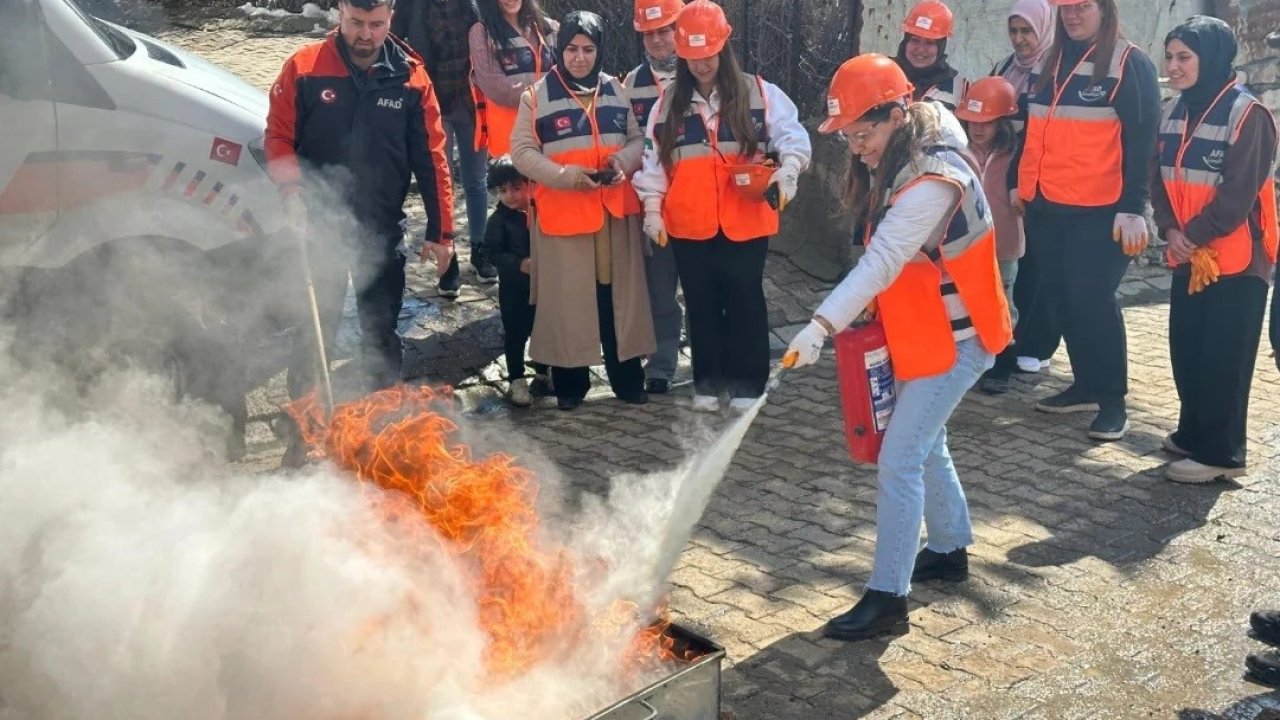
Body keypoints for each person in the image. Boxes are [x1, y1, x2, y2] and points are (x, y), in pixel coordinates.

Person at [786, 54, 1011, 642]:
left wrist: (820, 325)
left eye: (863, 133)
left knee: (899, 458)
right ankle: (950, 549)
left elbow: (883, 260)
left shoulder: (931, 181)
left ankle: (888, 598)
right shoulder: (909, 146)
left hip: (961, 339)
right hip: (928, 331)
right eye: (848, 136)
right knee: (926, 443)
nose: (856, 147)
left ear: (896, 115)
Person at [265, 0, 454, 464]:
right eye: (355, 23)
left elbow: (432, 157)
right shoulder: (304, 68)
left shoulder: (411, 77)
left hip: (380, 227)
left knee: (380, 334)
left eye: (376, 24)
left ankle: (380, 432)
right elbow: (278, 136)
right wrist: (291, 192)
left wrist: (442, 231)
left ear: (391, 18)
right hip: (318, 225)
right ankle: (305, 435)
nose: (365, 34)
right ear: (339, 13)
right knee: (314, 332)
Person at [633, 0, 811, 412]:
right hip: (689, 223)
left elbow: (793, 137)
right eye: (693, 57)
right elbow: (653, 163)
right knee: (701, 303)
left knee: (745, 299)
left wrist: (789, 170)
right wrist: (653, 209)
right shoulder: (668, 104)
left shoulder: (760, 93)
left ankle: (748, 384)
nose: (701, 64)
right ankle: (708, 384)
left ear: (723, 47)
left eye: (708, 54)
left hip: (745, 220)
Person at [1014, 0, 1161, 441]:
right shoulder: (1052, 60)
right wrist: (1018, 184)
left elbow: (1143, 142)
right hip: (1046, 206)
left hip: (1101, 210)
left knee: (1092, 300)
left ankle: (1113, 401)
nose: (1073, 15)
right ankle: (1086, 386)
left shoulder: (1129, 64)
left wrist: (1133, 207)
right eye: (1066, 8)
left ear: (1104, 9)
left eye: (1083, 6)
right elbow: (1033, 131)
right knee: (1061, 297)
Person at [1151, 16, 1277, 484]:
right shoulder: (1172, 109)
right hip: (1189, 253)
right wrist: (1169, 229)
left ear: (1213, 59)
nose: (1173, 66)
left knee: (1225, 357)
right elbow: (1157, 176)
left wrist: (1192, 234)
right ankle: (1193, 434)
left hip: (1239, 259)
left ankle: (1222, 454)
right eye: (1169, 56)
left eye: (1184, 57)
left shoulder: (1249, 115)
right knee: (1188, 349)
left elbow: (1237, 194)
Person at [510, 11, 656, 411]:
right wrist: (566, 177)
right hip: (564, 216)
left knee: (617, 298)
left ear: (599, 50)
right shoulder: (536, 96)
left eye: (588, 49)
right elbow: (522, 152)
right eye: (572, 49)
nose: (580, 57)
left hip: (614, 217)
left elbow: (637, 140)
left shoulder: (616, 90)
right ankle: (570, 385)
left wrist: (622, 163)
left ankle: (627, 379)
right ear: (560, 50)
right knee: (569, 301)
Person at [392, 0, 497, 296]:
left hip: (472, 100)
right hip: (433, 102)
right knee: (442, 182)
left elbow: (502, 26)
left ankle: (480, 249)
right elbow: (392, 38)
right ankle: (447, 256)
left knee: (476, 180)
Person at [993, 0, 1059, 375]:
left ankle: (1038, 343)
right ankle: (1010, 336)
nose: (1020, 39)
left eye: (1027, 31)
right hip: (1005, 179)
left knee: (1040, 264)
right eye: (1014, 31)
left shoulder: (1056, 69)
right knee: (1011, 260)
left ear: (1045, 29)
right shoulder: (1005, 67)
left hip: (1043, 181)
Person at [624, 0, 685, 396]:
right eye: (650, 33)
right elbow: (629, 143)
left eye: (665, 30)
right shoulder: (631, 85)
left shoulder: (703, 72)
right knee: (660, 292)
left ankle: (714, 362)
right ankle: (662, 364)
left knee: (706, 290)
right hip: (655, 208)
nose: (658, 40)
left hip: (700, 204)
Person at [955, 77, 1025, 395]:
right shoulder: (957, 150)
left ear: (1002, 122)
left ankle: (1002, 362)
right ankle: (968, 360)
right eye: (971, 121)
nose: (977, 128)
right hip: (965, 243)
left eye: (986, 122)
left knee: (1003, 303)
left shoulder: (1016, 153)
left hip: (1005, 242)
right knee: (965, 301)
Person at [484, 155, 550, 406]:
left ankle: (544, 372)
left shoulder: (541, 211)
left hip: (542, 287)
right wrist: (517, 263)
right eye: (503, 191)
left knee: (542, 330)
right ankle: (516, 379)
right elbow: (491, 252)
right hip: (513, 288)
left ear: (529, 185)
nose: (510, 195)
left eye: (516, 188)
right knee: (515, 334)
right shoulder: (498, 221)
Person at [469, 0, 556, 159]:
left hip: (551, 133)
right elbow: (499, 90)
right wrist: (550, 94)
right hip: (510, 143)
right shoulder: (481, 33)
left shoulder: (547, 27)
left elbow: (566, 74)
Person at [894, 0, 967, 110]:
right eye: (915, 40)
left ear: (941, 47)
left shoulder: (959, 87)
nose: (921, 49)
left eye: (930, 43)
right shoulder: (883, 73)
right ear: (905, 42)